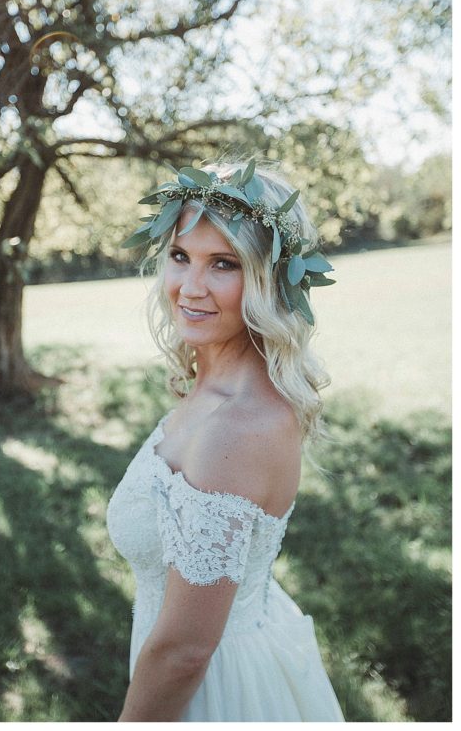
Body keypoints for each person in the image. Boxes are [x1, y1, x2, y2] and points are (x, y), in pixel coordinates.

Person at [107, 160, 344, 721]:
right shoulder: (216, 388)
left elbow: (184, 652)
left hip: (216, 690)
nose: (190, 288)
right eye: (180, 256)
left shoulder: (236, 427)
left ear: (270, 280)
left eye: (223, 264)